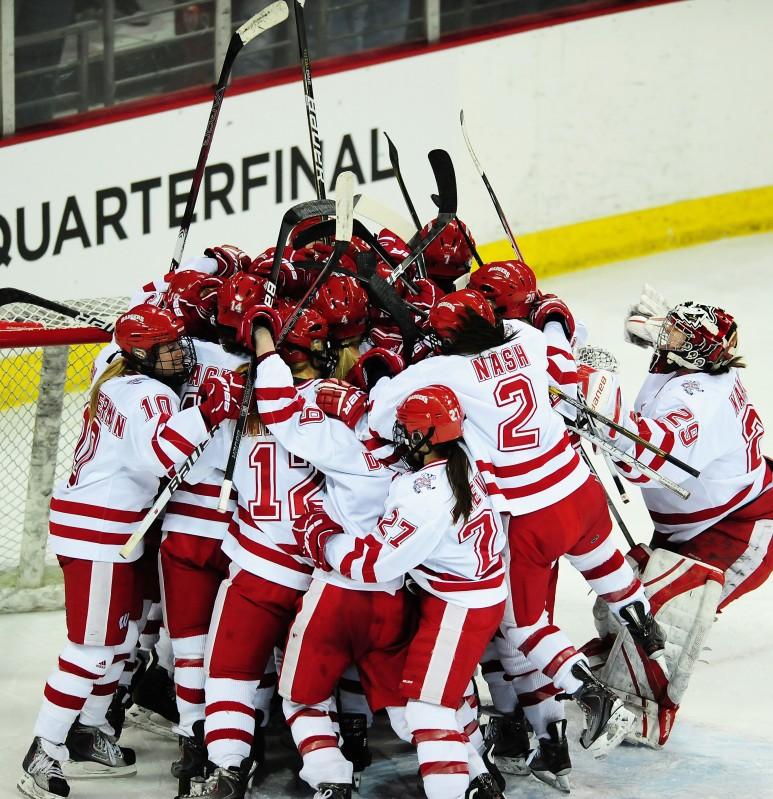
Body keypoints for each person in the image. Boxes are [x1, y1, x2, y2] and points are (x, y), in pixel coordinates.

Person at [322, 289, 660, 781]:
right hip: (578, 489)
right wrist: (556, 320)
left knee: (523, 630)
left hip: (527, 517)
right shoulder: (524, 337)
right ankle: (643, 624)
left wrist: (377, 371)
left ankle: (593, 698)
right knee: (603, 561)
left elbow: (379, 415)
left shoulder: (442, 372)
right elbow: (560, 353)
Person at [18, 304, 243, 799]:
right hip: (99, 532)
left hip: (108, 529)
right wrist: (207, 411)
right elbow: (159, 455)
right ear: (140, 354)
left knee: (117, 645)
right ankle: (44, 750)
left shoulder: (118, 374)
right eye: (166, 347)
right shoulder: (143, 392)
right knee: (90, 651)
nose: (178, 353)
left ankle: (89, 731)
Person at [297, 384, 509, 799]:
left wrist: (323, 540)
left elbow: (373, 565)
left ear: (423, 436)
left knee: (427, 710)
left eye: (406, 429)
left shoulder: (423, 495)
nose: (398, 436)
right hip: (468, 595)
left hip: (459, 607)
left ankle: (456, 787)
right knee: (442, 699)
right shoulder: (465, 456)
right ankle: (478, 777)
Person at [581, 296, 773, 747]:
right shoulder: (696, 366)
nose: (667, 339)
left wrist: (596, 401)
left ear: (698, 352)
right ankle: (617, 659)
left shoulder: (702, 400)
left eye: (677, 335)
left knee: (662, 617)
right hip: (699, 524)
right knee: (617, 595)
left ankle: (641, 714)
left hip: (742, 528)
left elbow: (645, 461)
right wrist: (658, 331)